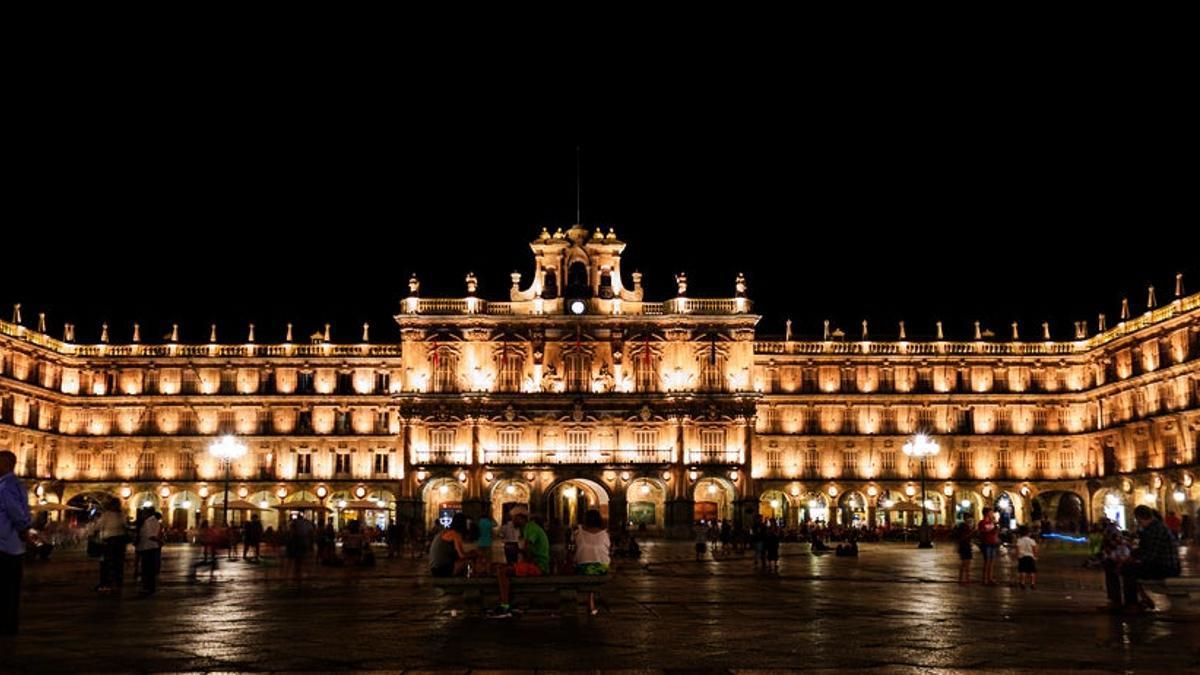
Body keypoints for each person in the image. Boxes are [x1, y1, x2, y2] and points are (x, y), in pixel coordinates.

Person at [1106, 505, 1181, 613]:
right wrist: (1128, 557)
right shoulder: (1152, 528)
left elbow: (1150, 556)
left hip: (1165, 567)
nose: (1138, 523)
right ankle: (1117, 601)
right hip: (1161, 565)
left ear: (1140, 518)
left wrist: (1129, 560)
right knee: (1112, 564)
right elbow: (1142, 551)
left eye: (1137, 520)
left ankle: (1132, 604)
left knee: (1128, 569)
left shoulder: (1156, 529)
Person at [489, 506, 549, 618]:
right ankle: (509, 602)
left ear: (521, 518)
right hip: (534, 564)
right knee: (499, 567)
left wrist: (515, 551)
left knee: (503, 571)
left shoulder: (531, 529)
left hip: (538, 565)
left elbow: (528, 552)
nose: (512, 521)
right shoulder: (528, 528)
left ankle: (505, 605)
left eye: (514, 518)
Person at [0, 450, 33, 635]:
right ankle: (10, 623)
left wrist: (22, 529)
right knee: (11, 588)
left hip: (4, 544)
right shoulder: (17, 484)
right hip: (14, 546)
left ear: (5, 464)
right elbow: (24, 511)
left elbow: (15, 512)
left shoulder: (4, 487)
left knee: (4, 588)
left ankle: (5, 624)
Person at [574, 509, 610, 616]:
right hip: (601, 567)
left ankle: (590, 600)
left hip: (583, 567)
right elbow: (608, 547)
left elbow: (574, 546)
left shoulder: (578, 532)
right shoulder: (604, 533)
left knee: (586, 567)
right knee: (594, 566)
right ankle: (591, 601)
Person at [429, 513, 483, 577]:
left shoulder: (445, 532)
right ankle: (473, 576)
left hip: (434, 569)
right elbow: (462, 555)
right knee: (469, 561)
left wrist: (470, 553)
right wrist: (474, 554)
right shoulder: (455, 534)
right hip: (442, 570)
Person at [96, 499, 129, 592]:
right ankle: (118, 581)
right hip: (120, 541)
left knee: (107, 562)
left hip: (109, 541)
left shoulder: (106, 515)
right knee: (118, 562)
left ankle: (106, 583)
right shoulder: (121, 515)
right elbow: (125, 525)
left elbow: (98, 526)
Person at [135, 508, 163, 595]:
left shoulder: (149, 522)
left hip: (148, 547)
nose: (142, 514)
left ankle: (148, 588)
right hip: (150, 547)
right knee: (149, 569)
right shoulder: (153, 521)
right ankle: (149, 587)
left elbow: (151, 535)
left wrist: (159, 541)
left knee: (147, 569)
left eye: (144, 512)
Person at [978, 507, 1000, 586]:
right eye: (991, 513)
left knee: (992, 562)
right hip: (986, 543)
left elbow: (995, 532)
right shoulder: (982, 522)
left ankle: (990, 578)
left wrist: (996, 528)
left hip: (993, 543)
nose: (992, 514)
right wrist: (990, 529)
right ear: (986, 513)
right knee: (987, 562)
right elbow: (982, 531)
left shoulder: (992, 522)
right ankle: (985, 579)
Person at [952, 516, 975, 584]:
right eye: (970, 521)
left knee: (967, 563)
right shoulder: (963, 527)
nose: (971, 522)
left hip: (967, 546)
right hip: (964, 547)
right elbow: (962, 538)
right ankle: (962, 579)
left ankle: (966, 579)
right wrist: (971, 533)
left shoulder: (966, 527)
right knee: (964, 563)